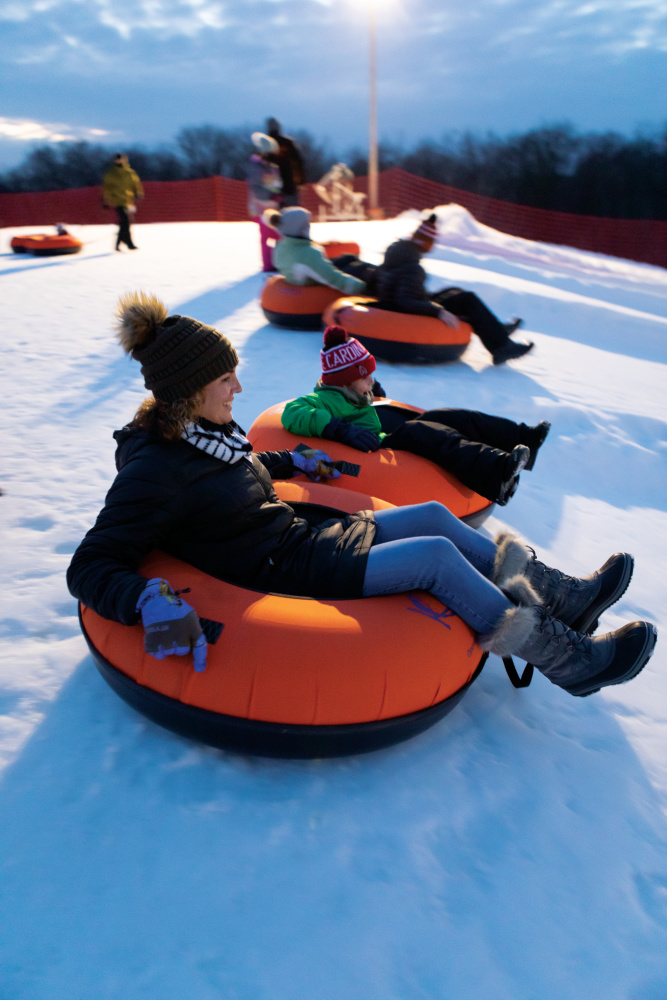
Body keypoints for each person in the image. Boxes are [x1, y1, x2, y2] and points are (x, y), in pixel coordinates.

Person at [66, 291, 657, 696]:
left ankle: (564, 597)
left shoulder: (206, 433)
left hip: (296, 533)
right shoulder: (153, 470)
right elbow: (91, 563)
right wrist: (146, 600)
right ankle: (571, 663)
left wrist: (288, 461)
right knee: (434, 559)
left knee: (430, 515)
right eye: (227, 379)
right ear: (190, 388)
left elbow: (232, 475)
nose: (240, 387)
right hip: (283, 567)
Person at [281, 325, 551, 505]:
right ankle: (498, 473)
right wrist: (342, 430)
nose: (372, 381)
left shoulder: (356, 391)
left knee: (449, 417)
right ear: (344, 381)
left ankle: (523, 437)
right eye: (365, 377)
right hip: (375, 448)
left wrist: (371, 392)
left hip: (380, 435)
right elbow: (292, 412)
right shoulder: (325, 399)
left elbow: (365, 397)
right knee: (421, 432)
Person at [375, 213, 535, 365]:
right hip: (408, 312)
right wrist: (439, 312)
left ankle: (497, 330)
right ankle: (501, 347)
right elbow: (405, 300)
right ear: (426, 243)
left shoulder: (398, 253)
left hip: (404, 303)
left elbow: (398, 289)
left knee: (455, 292)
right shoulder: (413, 267)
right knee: (467, 300)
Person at [265, 207, 368, 295]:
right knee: (361, 269)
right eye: (306, 223)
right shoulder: (306, 254)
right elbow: (335, 279)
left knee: (349, 258)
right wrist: (364, 289)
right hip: (315, 285)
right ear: (299, 228)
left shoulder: (282, 246)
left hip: (305, 275)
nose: (309, 226)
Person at [246, 132, 283, 272]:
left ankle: (277, 261)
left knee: (277, 234)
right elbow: (256, 186)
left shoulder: (271, 167)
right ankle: (268, 264)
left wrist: (278, 195)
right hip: (261, 206)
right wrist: (270, 197)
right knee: (267, 236)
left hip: (271, 206)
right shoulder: (257, 167)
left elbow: (275, 184)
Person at [102, 153, 144, 251]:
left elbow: (136, 184)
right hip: (117, 201)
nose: (119, 161)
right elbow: (106, 188)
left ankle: (120, 243)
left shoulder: (129, 172)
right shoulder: (111, 174)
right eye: (117, 159)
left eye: (121, 159)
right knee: (125, 221)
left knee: (125, 223)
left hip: (128, 201)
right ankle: (128, 243)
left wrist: (138, 193)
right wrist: (106, 199)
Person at [266, 117, 305, 207]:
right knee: (292, 211)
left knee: (275, 212)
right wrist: (300, 181)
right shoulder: (287, 142)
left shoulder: (265, 144)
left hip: (271, 185)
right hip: (289, 183)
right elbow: (298, 162)